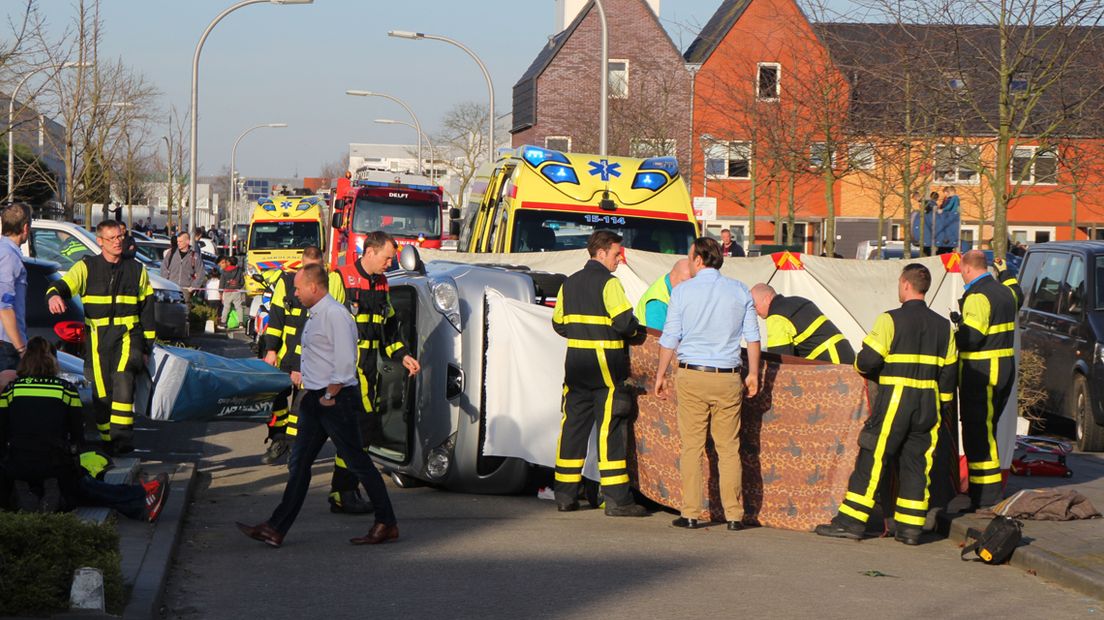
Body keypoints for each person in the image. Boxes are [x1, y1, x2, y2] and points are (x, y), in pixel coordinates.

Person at [236, 264, 399, 547]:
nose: (294, 293)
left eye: (298, 288)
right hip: (315, 397)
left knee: (358, 462)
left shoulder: (335, 316)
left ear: (314, 287)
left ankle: (387, 522)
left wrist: (329, 395)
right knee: (299, 464)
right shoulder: (316, 315)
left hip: (333, 398)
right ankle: (275, 528)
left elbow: (346, 362)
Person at [815, 264, 957, 545]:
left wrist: (860, 365)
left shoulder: (890, 320)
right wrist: (942, 408)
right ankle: (910, 528)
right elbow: (949, 374)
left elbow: (867, 361)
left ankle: (851, 522)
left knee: (873, 457)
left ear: (905, 284)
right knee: (917, 464)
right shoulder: (944, 326)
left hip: (896, 399)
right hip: (929, 403)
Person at [653, 237, 760, 531]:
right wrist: (754, 373)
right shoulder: (739, 290)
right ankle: (735, 515)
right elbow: (752, 337)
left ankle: (690, 512)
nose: (688, 262)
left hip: (692, 374)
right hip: (728, 376)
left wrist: (661, 374)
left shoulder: (683, 291)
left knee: (692, 447)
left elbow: (670, 337)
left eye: (690, 257)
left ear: (699, 260)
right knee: (728, 449)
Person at [0, 338, 168, 520]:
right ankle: (141, 500)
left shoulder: (11, 391)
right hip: (53, 467)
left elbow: (2, 434)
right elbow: (78, 438)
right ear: (53, 361)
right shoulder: (66, 390)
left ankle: (32, 496)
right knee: (84, 485)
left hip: (18, 468)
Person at [551, 230, 649, 517]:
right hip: (606, 369)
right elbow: (623, 323)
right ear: (602, 252)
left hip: (576, 368)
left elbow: (559, 324)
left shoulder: (569, 283)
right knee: (610, 431)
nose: (620, 259)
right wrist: (635, 330)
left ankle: (565, 495)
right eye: (617, 253)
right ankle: (618, 499)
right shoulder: (610, 283)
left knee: (572, 430)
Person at [47, 220, 156, 454]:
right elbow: (62, 286)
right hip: (97, 339)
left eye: (120, 237)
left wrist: (147, 347)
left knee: (123, 382)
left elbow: (147, 308)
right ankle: (109, 440)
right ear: (100, 241)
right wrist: (53, 296)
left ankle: (122, 440)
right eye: (112, 238)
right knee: (102, 394)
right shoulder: (86, 267)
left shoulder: (137, 269)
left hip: (129, 335)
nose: (118, 242)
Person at [335, 233, 420, 510]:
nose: (389, 263)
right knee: (361, 427)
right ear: (369, 252)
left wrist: (403, 355)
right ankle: (344, 492)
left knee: (356, 431)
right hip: (347, 366)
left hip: (370, 366)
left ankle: (343, 491)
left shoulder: (383, 285)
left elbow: (389, 329)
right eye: (386, 258)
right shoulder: (341, 278)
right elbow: (323, 324)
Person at [954, 250, 1023, 510]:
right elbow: (1019, 294)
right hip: (1004, 369)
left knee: (978, 434)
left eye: (962, 271)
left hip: (983, 372)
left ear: (968, 269)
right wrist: (1006, 272)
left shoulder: (977, 297)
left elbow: (971, 337)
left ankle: (985, 497)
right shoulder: (1005, 291)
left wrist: (956, 330)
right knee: (988, 430)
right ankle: (984, 494)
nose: (962, 276)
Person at [750, 283, 855, 364]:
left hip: (829, 361)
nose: (755, 312)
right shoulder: (798, 300)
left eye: (754, 306)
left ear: (767, 299)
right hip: (845, 353)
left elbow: (778, 357)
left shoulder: (776, 316)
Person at [0, 204, 29, 372]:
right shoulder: (8, 256)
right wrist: (22, 349)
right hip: (6, 345)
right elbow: (4, 307)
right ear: (25, 228)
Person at [634, 258, 691, 331]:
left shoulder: (670, 283)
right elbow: (657, 337)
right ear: (673, 276)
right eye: (685, 282)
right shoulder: (658, 302)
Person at [218, 256, 246, 331]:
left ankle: (223, 323)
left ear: (229, 262)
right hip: (236, 291)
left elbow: (222, 283)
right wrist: (238, 286)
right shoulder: (239, 270)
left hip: (227, 291)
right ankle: (241, 323)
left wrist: (220, 292)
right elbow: (242, 281)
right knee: (238, 307)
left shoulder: (224, 271)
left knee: (226, 307)